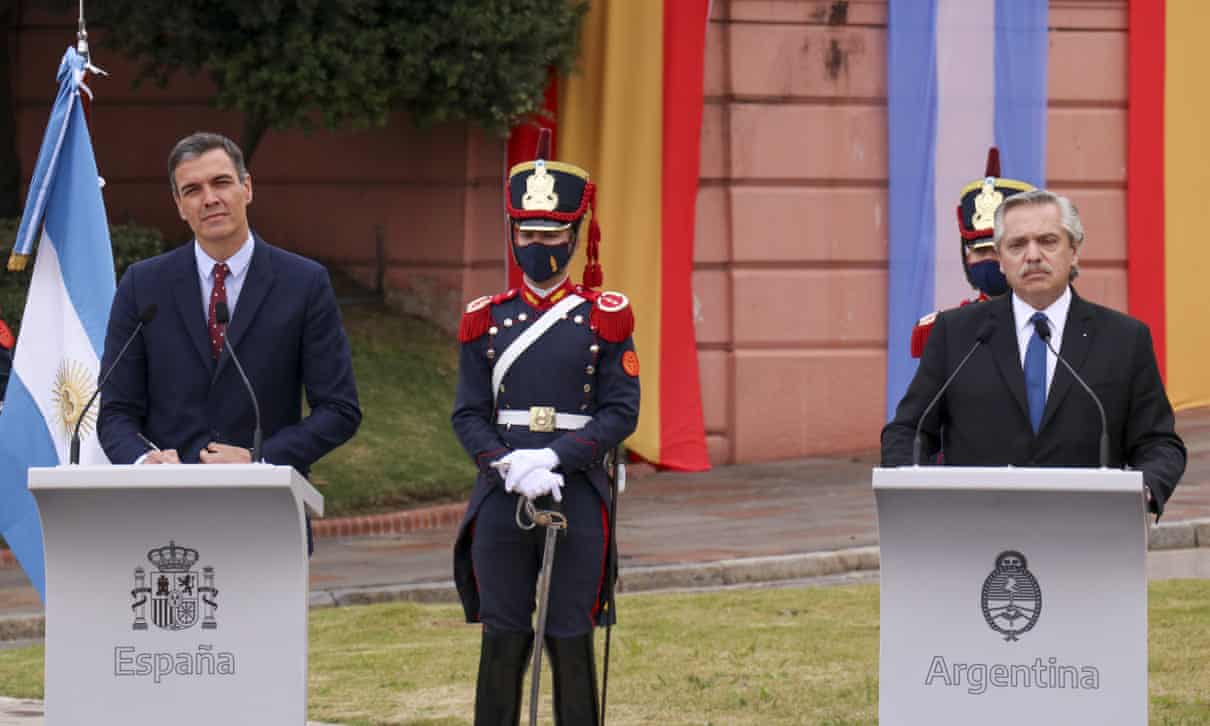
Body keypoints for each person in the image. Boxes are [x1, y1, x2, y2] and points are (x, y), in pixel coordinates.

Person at [451, 148, 639, 724]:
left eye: (553, 233)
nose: (539, 245)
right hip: (501, 489)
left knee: (569, 636)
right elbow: (468, 414)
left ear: (577, 235)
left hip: (574, 492)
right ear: (513, 235)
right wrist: (505, 465)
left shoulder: (603, 315)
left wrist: (555, 458)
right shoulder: (486, 317)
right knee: (503, 637)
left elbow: (620, 412)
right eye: (528, 232)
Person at [882, 189, 1185, 516]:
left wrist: (1145, 490)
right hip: (975, 530)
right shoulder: (957, 334)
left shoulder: (1124, 339)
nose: (1033, 255)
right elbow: (908, 431)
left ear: (1074, 251)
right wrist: (913, 494)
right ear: (1000, 259)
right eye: (1017, 245)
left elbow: (1159, 444)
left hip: (1088, 532)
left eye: (1048, 241)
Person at [97, 132, 360, 476]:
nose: (209, 199)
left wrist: (259, 457)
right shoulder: (143, 286)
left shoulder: (304, 283)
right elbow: (115, 411)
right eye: (192, 190)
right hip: (166, 506)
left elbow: (339, 409)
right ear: (179, 205)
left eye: (221, 183)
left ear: (246, 188)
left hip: (266, 506)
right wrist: (143, 460)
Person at [910, 147, 1034, 357]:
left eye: (996, 250)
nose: (988, 259)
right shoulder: (939, 330)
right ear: (967, 257)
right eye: (979, 250)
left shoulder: (1053, 328)